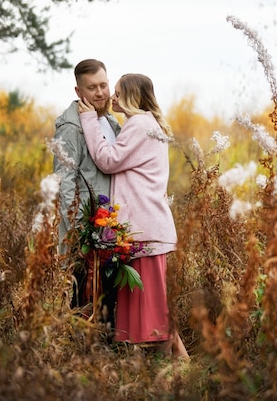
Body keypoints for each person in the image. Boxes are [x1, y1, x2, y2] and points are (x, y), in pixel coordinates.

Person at [78, 73, 189, 360]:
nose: (112, 97)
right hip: (147, 227)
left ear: (131, 97)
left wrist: (89, 120)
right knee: (155, 303)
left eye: (116, 92)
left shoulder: (139, 125)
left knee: (154, 306)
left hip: (145, 229)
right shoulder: (146, 123)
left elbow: (107, 160)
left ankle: (175, 368)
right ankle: (178, 366)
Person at [53, 59, 121, 326]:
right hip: (85, 229)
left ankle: (111, 358)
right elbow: (64, 182)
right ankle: (85, 357)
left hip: (110, 226)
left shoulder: (111, 122)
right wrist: (79, 230)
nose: (100, 92)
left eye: (103, 85)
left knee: (109, 298)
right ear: (78, 91)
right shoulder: (71, 128)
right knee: (85, 299)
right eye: (92, 87)